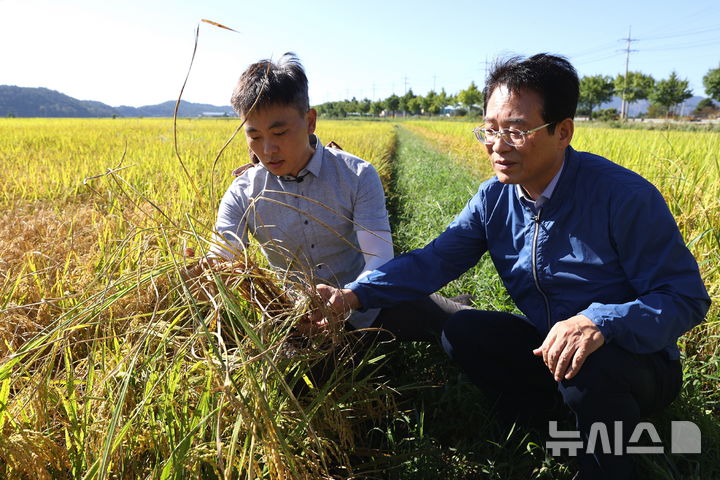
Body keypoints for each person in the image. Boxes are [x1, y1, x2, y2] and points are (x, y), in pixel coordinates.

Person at [314, 54, 711, 479]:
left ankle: (605, 463)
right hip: (551, 347)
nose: (497, 146)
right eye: (489, 129)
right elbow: (433, 260)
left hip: (633, 362)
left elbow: (684, 298)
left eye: (517, 131)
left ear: (563, 131)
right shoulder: (493, 199)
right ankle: (557, 429)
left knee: (588, 364)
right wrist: (354, 294)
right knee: (463, 331)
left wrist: (601, 322)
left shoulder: (624, 197)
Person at [208, 52, 469, 344]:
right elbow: (224, 257)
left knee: (462, 325)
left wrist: (349, 298)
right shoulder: (243, 193)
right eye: (254, 136)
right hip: (301, 320)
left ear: (310, 121)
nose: (267, 150)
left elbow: (379, 257)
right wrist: (206, 270)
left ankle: (451, 304)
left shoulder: (356, 174)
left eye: (279, 132)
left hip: (371, 303)